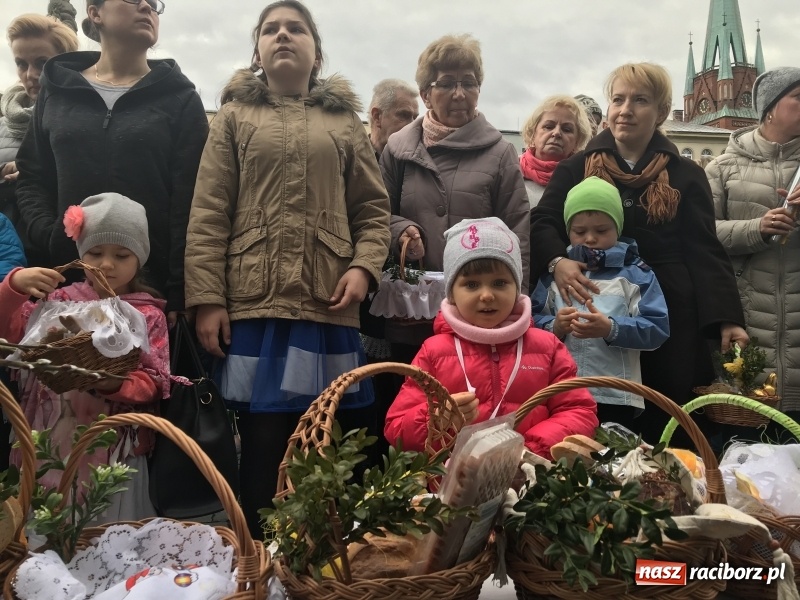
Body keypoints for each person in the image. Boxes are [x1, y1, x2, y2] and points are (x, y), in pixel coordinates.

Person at [184, 0, 391, 537]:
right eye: (270, 29)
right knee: (262, 441)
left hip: (327, 305)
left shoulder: (343, 122)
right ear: (257, 50)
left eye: (295, 29)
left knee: (329, 442)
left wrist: (365, 269)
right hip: (252, 301)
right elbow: (209, 211)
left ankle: (326, 560)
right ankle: (260, 558)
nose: (283, 36)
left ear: (315, 51)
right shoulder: (232, 117)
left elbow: (372, 211)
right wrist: (208, 298)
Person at [530, 62, 748, 444]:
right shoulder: (577, 167)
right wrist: (558, 261)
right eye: (618, 99)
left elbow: (704, 248)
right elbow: (543, 221)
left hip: (668, 317)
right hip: (594, 307)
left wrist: (726, 318)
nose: (625, 109)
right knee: (590, 417)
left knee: (665, 420)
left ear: (661, 112)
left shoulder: (686, 173)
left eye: (640, 100)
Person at [14, 0, 208, 320]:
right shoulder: (57, 89)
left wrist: (178, 291)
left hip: (150, 300)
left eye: (154, 3)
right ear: (95, 12)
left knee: (143, 373)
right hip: (65, 291)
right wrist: (53, 236)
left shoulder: (181, 98)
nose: (147, 6)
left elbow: (192, 201)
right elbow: (32, 176)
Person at [0, 193, 169, 521]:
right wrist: (14, 286)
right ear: (80, 254)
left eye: (121, 255)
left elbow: (153, 381)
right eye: (95, 252)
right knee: (47, 527)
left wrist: (111, 382)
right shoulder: (58, 302)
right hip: (48, 439)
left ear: (140, 258)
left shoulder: (145, 314)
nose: (107, 264)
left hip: (112, 447)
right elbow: (13, 334)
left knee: (108, 532)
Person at [385, 217, 597, 459]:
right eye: (472, 284)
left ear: (516, 289)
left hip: (532, 483)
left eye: (500, 283)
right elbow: (396, 430)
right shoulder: (434, 352)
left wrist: (526, 451)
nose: (486, 295)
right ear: (452, 293)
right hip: (454, 489)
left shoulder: (547, 347)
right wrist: (437, 418)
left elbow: (578, 410)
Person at [380, 33, 529, 364]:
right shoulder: (397, 151)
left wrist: (517, 305)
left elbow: (518, 234)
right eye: (446, 83)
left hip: (480, 312)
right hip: (413, 311)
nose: (460, 93)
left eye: (469, 82)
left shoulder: (501, 153)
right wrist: (400, 229)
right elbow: (375, 215)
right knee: (413, 407)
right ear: (426, 94)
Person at [531, 177, 669, 426]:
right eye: (579, 231)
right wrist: (555, 327)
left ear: (618, 228)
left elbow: (657, 328)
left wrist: (611, 329)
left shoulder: (637, 274)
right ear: (568, 231)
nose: (590, 239)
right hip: (561, 393)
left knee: (612, 460)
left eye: (602, 230)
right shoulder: (554, 275)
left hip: (616, 395)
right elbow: (529, 325)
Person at [707, 66, 800, 418]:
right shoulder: (722, 168)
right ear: (770, 107)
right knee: (744, 441)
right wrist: (756, 229)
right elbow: (702, 236)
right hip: (744, 320)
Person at [0, 14, 78, 266]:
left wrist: (35, 170)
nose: (31, 74)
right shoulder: (3, 120)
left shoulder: (82, 121)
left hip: (53, 256)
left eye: (42, 63)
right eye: (21, 63)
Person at [520, 95, 592, 208]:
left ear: (577, 141)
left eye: (567, 129)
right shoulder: (509, 171)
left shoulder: (586, 179)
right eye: (548, 126)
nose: (557, 133)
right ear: (533, 132)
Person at [368, 78, 419, 157]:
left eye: (415, 118)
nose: (413, 125)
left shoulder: (417, 162)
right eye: (404, 115)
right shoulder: (351, 160)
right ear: (377, 116)